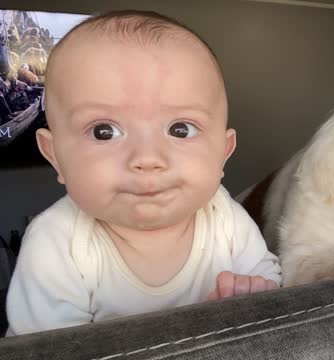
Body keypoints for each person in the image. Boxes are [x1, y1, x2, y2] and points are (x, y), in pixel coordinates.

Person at [5, 10, 281, 337]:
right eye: (104, 131)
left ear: (223, 152)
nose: (147, 158)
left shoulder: (224, 217)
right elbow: (48, 350)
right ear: (55, 157)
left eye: (180, 129)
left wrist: (249, 293)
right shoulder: (57, 243)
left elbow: (271, 284)